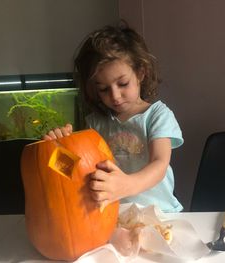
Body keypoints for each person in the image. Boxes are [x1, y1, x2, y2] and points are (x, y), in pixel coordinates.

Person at [44, 22, 184, 213]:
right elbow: (79, 171)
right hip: (111, 215)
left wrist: (127, 185)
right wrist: (59, 148)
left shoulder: (157, 116)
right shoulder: (95, 123)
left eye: (123, 83)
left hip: (160, 213)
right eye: (103, 88)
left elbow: (159, 164)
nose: (115, 96)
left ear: (140, 73)